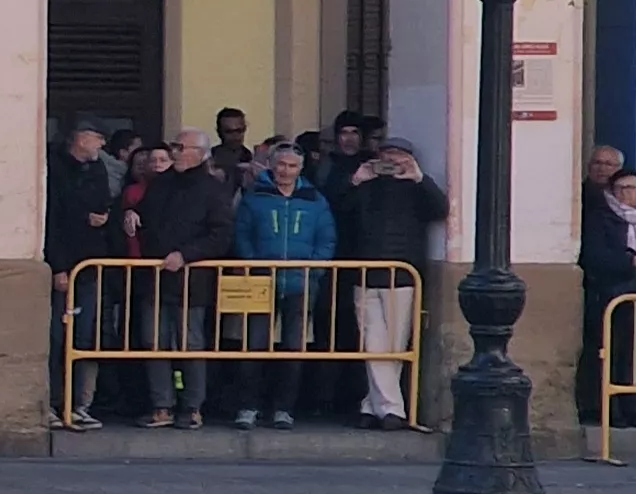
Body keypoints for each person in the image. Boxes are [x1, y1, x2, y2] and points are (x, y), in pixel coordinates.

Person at [336, 138, 449, 428]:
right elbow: (340, 211)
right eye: (386, 156)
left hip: (403, 274)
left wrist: (419, 178)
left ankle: (375, 407)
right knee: (372, 343)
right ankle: (391, 408)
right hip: (365, 271)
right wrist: (355, 181)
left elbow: (440, 210)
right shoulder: (366, 186)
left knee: (395, 345)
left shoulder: (417, 187)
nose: (392, 162)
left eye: (398, 157)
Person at [131, 133, 236, 427]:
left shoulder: (213, 190)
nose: (173, 152)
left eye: (179, 147)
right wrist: (131, 217)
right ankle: (161, 405)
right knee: (154, 342)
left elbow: (221, 235)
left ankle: (191, 406)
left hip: (192, 281)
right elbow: (146, 218)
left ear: (199, 153)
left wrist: (186, 255)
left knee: (191, 343)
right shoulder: (160, 184)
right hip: (155, 277)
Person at [230, 144, 338, 429]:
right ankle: (248, 406)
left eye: (292, 166)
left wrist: (312, 269)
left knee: (294, 347)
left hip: (300, 282)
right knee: (254, 346)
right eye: (281, 165)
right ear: (271, 165)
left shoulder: (315, 199)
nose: (285, 171)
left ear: (301, 168)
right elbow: (242, 234)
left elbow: (326, 239)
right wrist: (255, 264)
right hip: (261, 280)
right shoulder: (255, 198)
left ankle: (283, 409)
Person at [44, 126, 117, 428]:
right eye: (98, 138)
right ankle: (52, 403)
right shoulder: (56, 169)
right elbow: (54, 220)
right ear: (81, 139)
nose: (102, 144)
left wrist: (105, 217)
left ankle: (79, 404)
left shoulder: (98, 168)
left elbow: (103, 204)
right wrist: (59, 266)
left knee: (85, 337)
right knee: (57, 339)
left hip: (90, 264)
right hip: (66, 265)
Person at [582, 166, 636, 424]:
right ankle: (607, 408)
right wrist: (629, 263)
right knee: (610, 350)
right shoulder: (600, 217)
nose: (625, 194)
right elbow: (593, 254)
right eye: (620, 189)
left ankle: (635, 407)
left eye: (631, 188)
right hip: (611, 292)